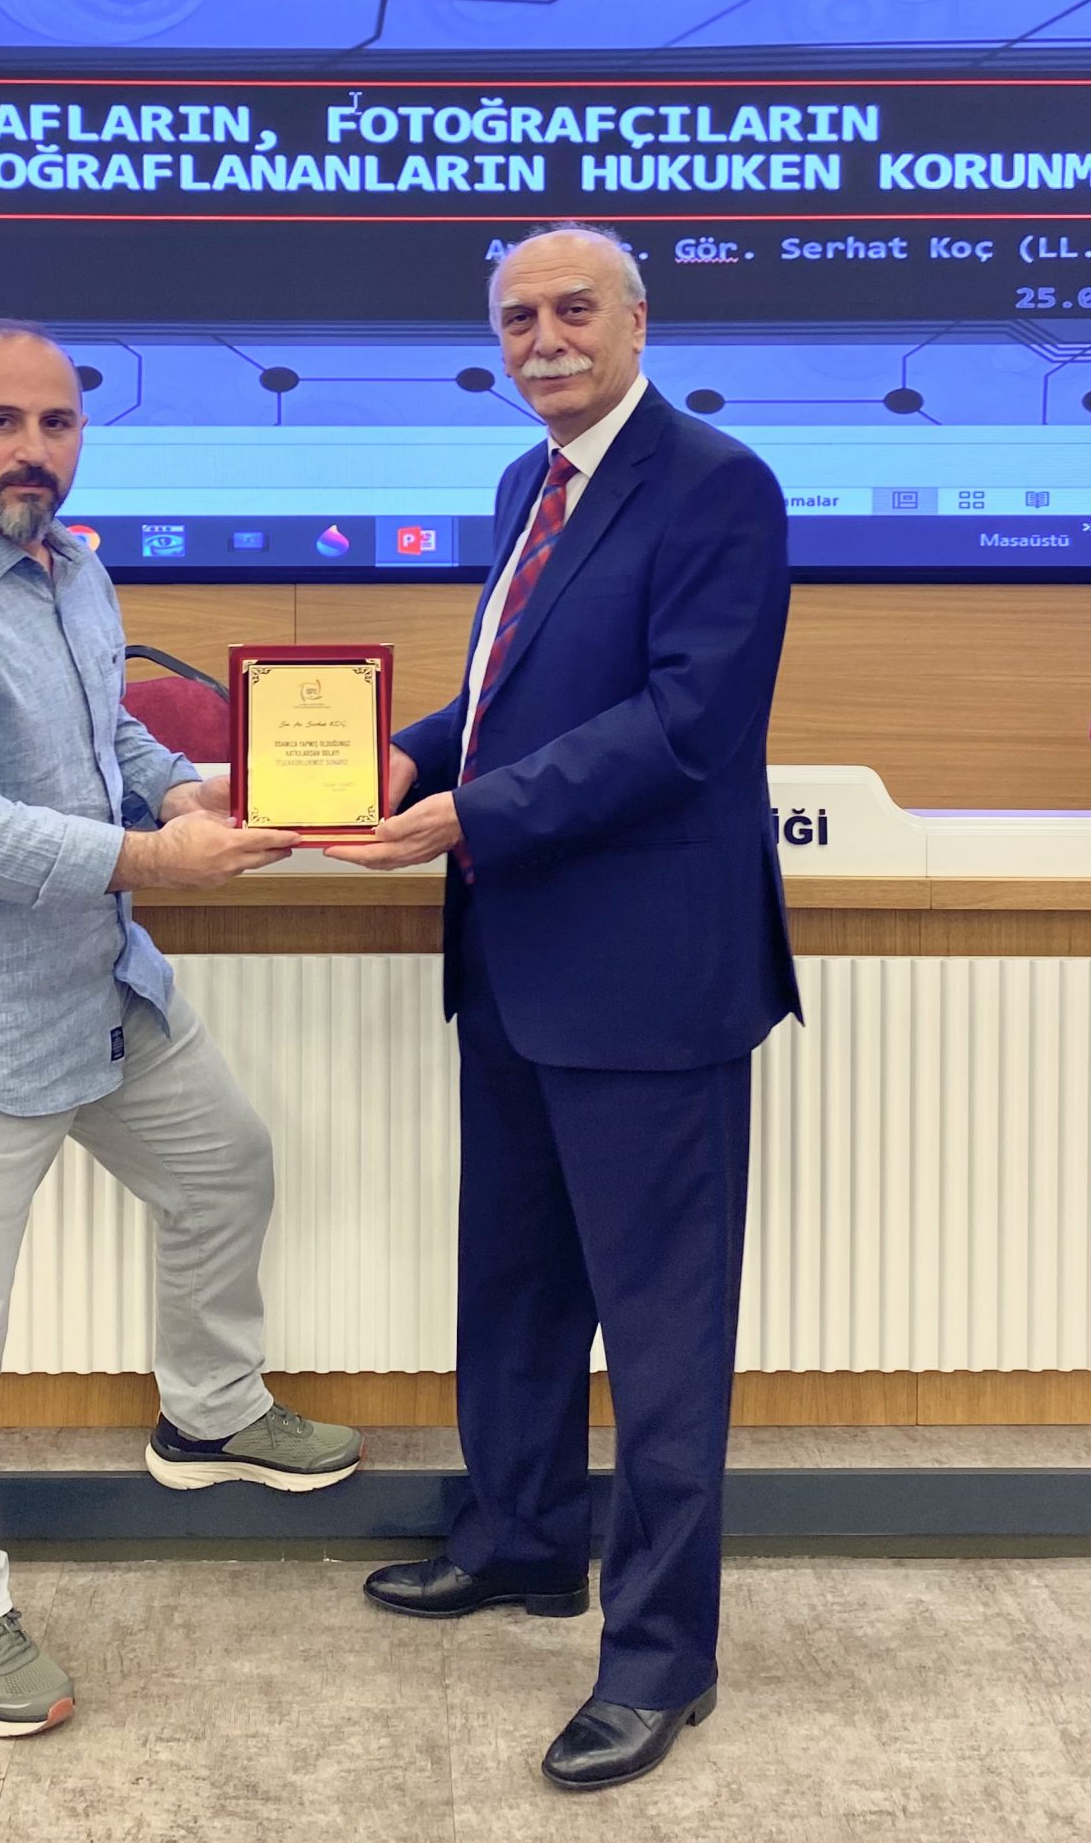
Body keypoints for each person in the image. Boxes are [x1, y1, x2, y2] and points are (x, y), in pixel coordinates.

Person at [0, 321, 362, 1742]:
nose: (33, 451)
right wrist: (151, 858)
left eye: (56, 424)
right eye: (1, 422)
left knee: (226, 1170)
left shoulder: (72, 567)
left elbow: (102, 732)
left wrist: (178, 787)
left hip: (106, 991)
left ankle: (208, 1409)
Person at [329, 225, 798, 1793]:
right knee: (516, 1289)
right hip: (516, 964)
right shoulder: (525, 485)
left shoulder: (718, 486)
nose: (544, 338)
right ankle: (522, 1539)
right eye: (518, 316)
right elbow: (508, 698)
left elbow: (684, 725)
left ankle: (661, 1659)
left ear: (638, 323)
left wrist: (470, 814)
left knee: (664, 1345)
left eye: (573, 309)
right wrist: (400, 756)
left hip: (653, 984)